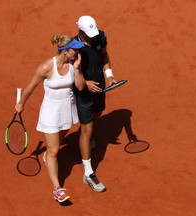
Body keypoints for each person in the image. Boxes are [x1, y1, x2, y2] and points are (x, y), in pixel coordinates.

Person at [14, 35, 85, 202]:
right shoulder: (46, 67)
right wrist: (21, 103)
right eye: (75, 49)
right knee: (54, 151)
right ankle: (57, 189)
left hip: (67, 110)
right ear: (65, 51)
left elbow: (80, 87)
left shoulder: (73, 64)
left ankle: (47, 154)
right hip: (51, 112)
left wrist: (77, 69)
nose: (78, 51)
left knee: (60, 140)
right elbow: (30, 87)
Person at [74, 15, 117, 192]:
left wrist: (109, 75)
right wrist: (85, 83)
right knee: (88, 128)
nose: (93, 37)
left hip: (99, 87)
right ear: (80, 32)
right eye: (88, 34)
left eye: (93, 33)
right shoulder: (73, 47)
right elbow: (71, 71)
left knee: (97, 114)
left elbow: (105, 55)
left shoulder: (101, 37)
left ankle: (84, 132)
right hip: (82, 92)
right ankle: (88, 172)